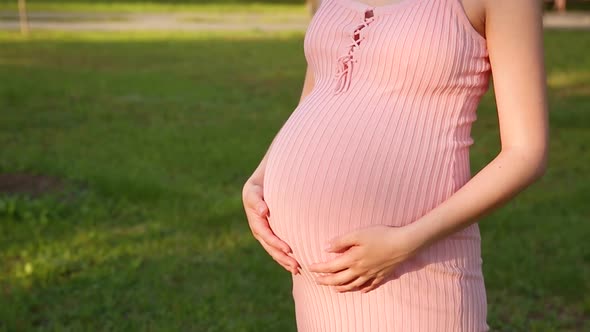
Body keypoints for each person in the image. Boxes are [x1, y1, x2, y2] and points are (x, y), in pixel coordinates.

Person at [242, 0, 548, 330]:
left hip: (413, 270)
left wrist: (404, 243)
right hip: (317, 284)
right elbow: (318, 92)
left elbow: (526, 153)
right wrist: (261, 176)